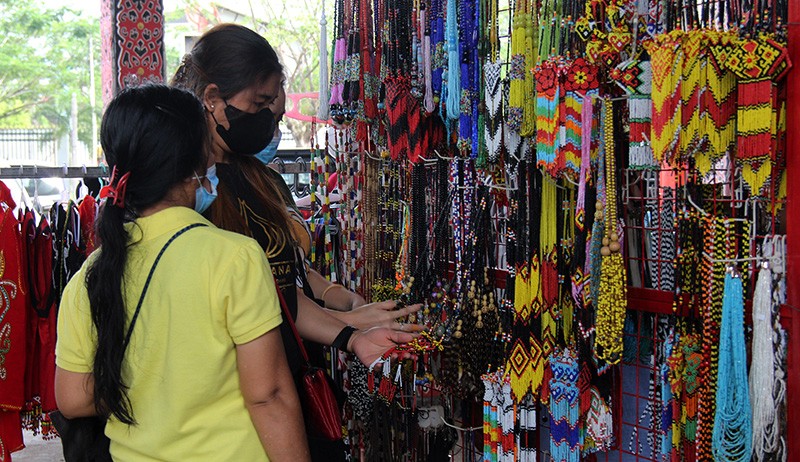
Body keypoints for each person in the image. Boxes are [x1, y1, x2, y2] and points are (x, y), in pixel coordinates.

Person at [171, 23, 419, 461]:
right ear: (212, 100)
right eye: (260, 104)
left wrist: (352, 332)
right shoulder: (186, 195)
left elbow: (279, 293)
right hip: (231, 402)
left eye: (273, 106)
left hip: (287, 382)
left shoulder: (258, 178)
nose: (268, 119)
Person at [54, 84, 310, 461]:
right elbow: (268, 395)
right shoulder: (233, 258)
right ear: (196, 162)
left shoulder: (89, 275)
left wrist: (150, 381)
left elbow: (72, 398)